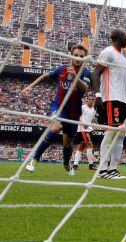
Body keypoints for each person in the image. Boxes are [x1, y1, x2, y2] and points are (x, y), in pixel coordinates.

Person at [21, 44, 90, 175]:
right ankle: (34, 159)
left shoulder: (85, 73)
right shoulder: (61, 69)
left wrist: (75, 77)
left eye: (81, 56)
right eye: (76, 55)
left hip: (73, 113)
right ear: (71, 55)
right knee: (54, 128)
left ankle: (65, 162)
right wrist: (31, 86)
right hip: (58, 106)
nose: (78, 58)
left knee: (68, 145)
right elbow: (46, 76)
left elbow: (85, 88)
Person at [92, 29, 126, 180]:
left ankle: (113, 169)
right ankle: (102, 170)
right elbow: (95, 73)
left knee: (120, 135)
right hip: (110, 98)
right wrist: (98, 94)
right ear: (119, 38)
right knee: (110, 133)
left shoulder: (123, 58)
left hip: (121, 100)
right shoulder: (108, 52)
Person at [73, 94, 97, 170]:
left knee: (81, 147)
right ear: (86, 100)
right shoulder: (83, 107)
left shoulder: (93, 110)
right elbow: (76, 116)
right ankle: (91, 164)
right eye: (89, 99)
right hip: (83, 129)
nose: (91, 101)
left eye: (92, 99)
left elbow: (91, 119)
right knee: (90, 146)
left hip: (88, 129)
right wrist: (83, 123)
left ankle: (75, 165)